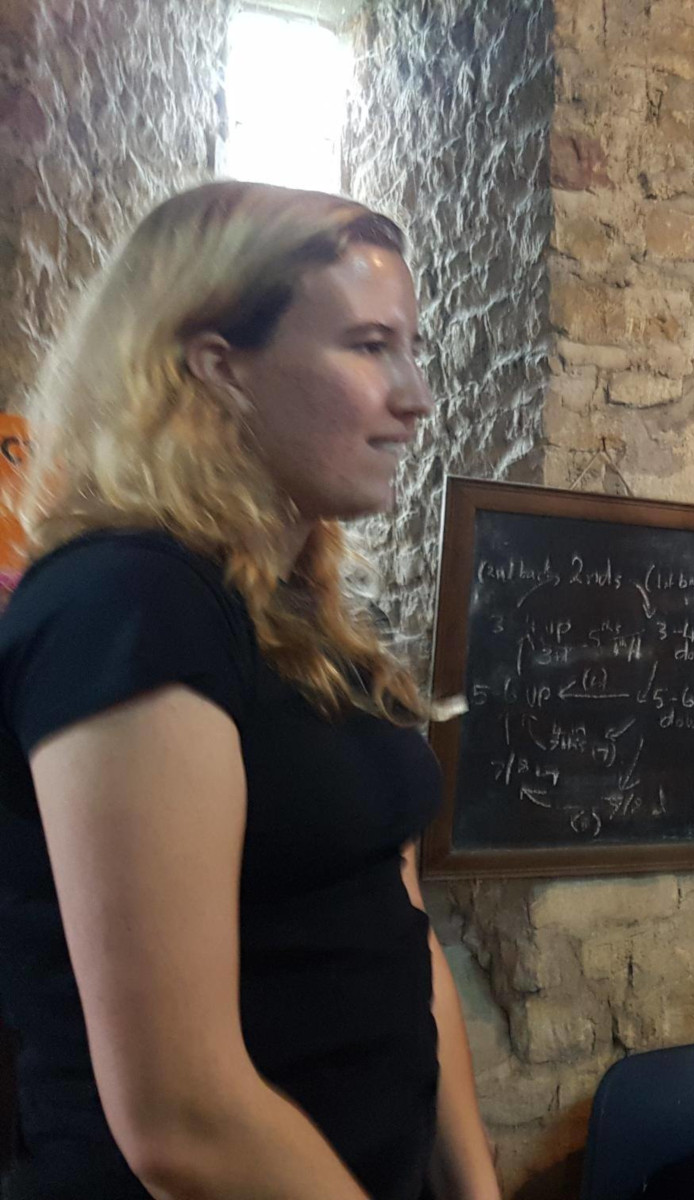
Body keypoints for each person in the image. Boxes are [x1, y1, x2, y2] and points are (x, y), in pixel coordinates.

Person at [0, 182, 500, 1200]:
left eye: (412, 349)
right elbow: (183, 1120)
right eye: (370, 346)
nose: (416, 397)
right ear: (219, 366)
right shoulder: (127, 603)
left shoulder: (304, 617)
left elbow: (399, 932)